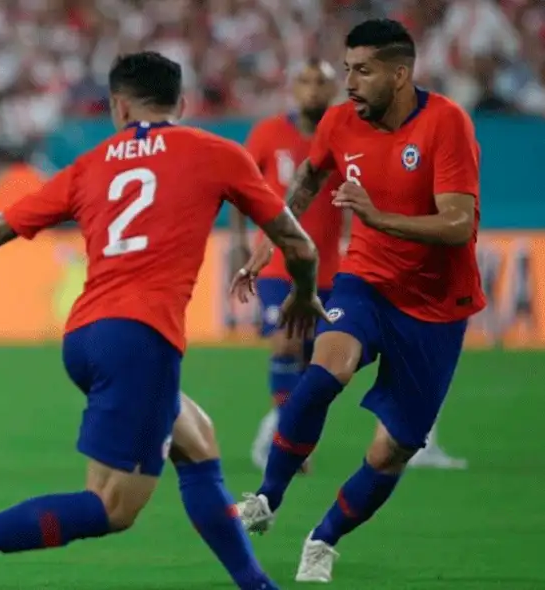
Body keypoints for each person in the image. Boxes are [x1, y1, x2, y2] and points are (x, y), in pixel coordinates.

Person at [0, 50, 327, 590]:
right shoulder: (216, 152)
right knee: (111, 508)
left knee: (196, 439)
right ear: (182, 102)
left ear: (119, 107)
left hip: (87, 335)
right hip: (141, 338)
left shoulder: (92, 164)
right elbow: (298, 243)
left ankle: (256, 584)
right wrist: (304, 293)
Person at [231, 19, 483, 583]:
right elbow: (305, 180)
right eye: (346, 69)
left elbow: (459, 223)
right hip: (366, 281)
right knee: (324, 370)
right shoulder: (341, 123)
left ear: (400, 74)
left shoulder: (447, 124)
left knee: (391, 452)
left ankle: (323, 538)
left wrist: (375, 216)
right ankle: (267, 498)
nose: (348, 83)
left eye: (362, 71)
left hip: (438, 307)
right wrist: (267, 244)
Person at [231, 59, 343, 473]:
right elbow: (242, 187)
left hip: (330, 269)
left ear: (333, 90)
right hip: (278, 263)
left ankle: (283, 432)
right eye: (305, 82)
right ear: (293, 89)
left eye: (321, 83)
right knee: (286, 344)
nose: (313, 90)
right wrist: (242, 244)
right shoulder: (267, 133)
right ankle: (281, 439)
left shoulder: (344, 137)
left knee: (317, 366)